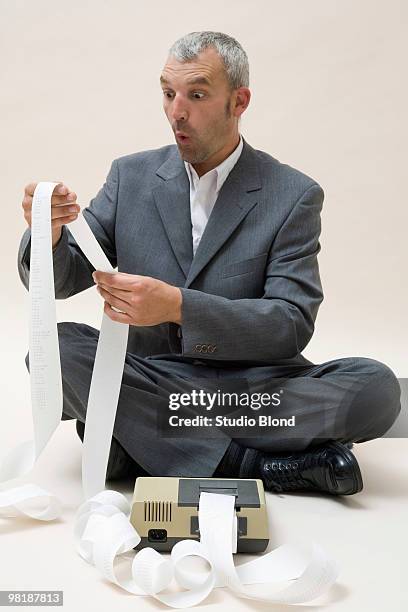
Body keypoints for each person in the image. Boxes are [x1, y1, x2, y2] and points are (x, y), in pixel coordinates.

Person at [18, 31, 401, 495]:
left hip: (254, 387)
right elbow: (63, 278)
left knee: (376, 388)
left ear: (239, 101)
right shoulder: (130, 176)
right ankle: (253, 463)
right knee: (50, 349)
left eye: (196, 94)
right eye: (168, 93)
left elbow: (290, 324)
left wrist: (179, 306)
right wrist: (49, 231)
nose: (176, 111)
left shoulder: (292, 194)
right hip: (158, 372)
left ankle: (143, 437)